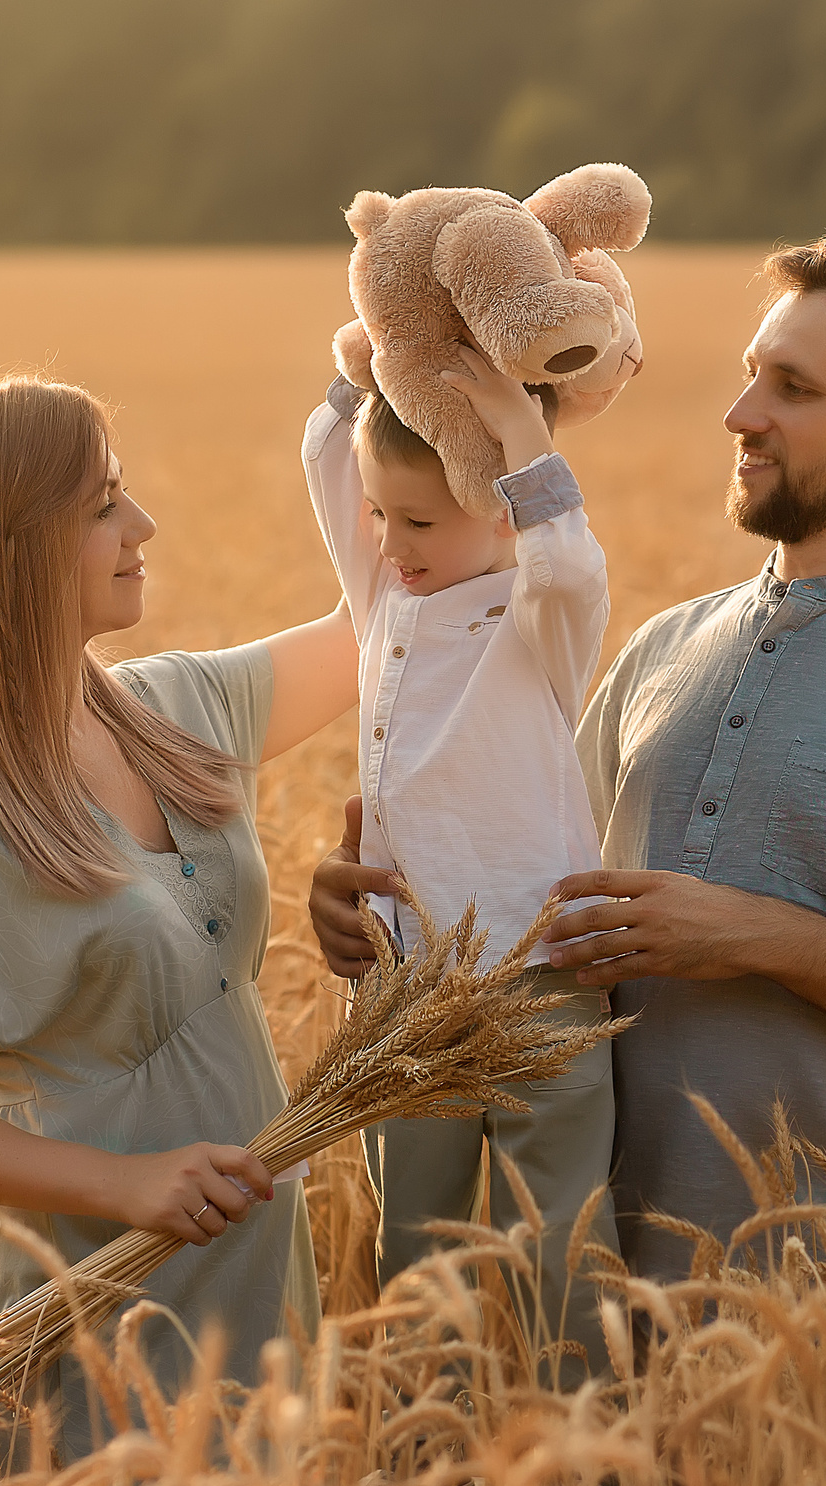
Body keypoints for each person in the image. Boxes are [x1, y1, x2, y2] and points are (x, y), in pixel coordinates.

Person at [310, 232, 826, 1282]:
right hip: (617, 1307)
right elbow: (535, 893)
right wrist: (381, 903)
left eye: (793, 388)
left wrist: (762, 937)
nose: (739, 415)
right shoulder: (659, 651)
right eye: (747, 377)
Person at [0, 375, 357, 1481]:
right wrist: (120, 1185)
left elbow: (392, 623)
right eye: (102, 505)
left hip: (247, 1292)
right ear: (13, 547)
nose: (142, 528)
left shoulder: (175, 710)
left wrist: (446, 403)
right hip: (82, 1313)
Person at [300, 345, 618, 1383]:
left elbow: (567, 559)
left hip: (539, 978)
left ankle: (587, 1467)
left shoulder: (539, 622)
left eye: (420, 522)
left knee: (556, 1250)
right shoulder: (386, 599)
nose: (390, 543)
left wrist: (517, 426)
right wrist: (375, 352)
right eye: (382, 518)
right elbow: (325, 455)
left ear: (500, 513)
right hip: (406, 982)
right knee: (415, 1258)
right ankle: (423, 1476)